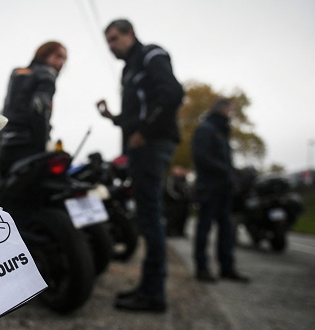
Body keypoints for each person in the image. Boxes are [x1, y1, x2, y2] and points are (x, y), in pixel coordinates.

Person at [97, 19, 184, 313]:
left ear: (130, 34)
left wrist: (143, 132)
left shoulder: (151, 55)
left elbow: (172, 94)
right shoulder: (128, 69)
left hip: (152, 144)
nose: (111, 45)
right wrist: (113, 116)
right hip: (141, 146)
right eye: (107, 41)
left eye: (114, 38)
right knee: (146, 215)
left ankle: (153, 294)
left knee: (150, 215)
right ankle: (148, 287)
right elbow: (134, 116)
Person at [191, 98, 250, 283]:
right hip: (209, 188)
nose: (231, 113)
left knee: (226, 230)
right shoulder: (206, 129)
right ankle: (202, 267)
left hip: (224, 188)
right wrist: (225, 170)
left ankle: (227, 267)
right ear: (223, 109)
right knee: (205, 228)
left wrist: (232, 176)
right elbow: (200, 157)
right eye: (230, 110)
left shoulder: (221, 131)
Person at [0, 41, 67, 175]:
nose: (62, 62)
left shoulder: (18, 72)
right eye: (59, 56)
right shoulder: (46, 74)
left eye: (64, 59)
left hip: (6, 144)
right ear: (45, 54)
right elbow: (39, 108)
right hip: (28, 146)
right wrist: (42, 146)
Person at [164, 165, 191, 237]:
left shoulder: (184, 180)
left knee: (183, 218)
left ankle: (180, 231)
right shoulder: (171, 178)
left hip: (184, 203)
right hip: (174, 203)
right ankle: (169, 232)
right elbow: (169, 190)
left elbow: (188, 190)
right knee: (172, 218)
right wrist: (177, 198)